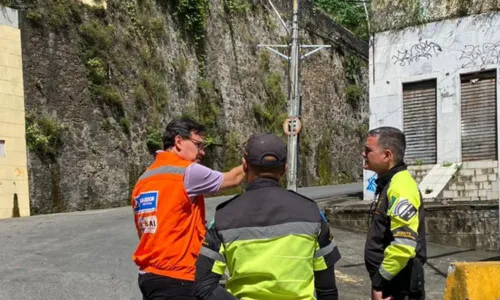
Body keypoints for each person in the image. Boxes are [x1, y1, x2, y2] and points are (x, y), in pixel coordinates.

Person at [193, 133, 341, 300]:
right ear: (285, 169)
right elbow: (327, 290)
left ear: (244, 166)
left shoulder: (223, 216)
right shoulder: (312, 213)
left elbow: (203, 286)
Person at [131, 117, 246, 300]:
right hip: (178, 277)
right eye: (198, 145)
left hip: (148, 277)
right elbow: (233, 179)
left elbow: (146, 231)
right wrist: (255, 160)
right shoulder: (188, 171)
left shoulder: (144, 179)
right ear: (178, 141)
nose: (203, 152)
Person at [361, 126, 427, 300]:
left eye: (368, 150)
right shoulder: (390, 184)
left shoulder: (401, 187)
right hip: (392, 283)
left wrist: (380, 282)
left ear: (387, 155)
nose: (363, 154)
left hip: (398, 287)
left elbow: (403, 245)